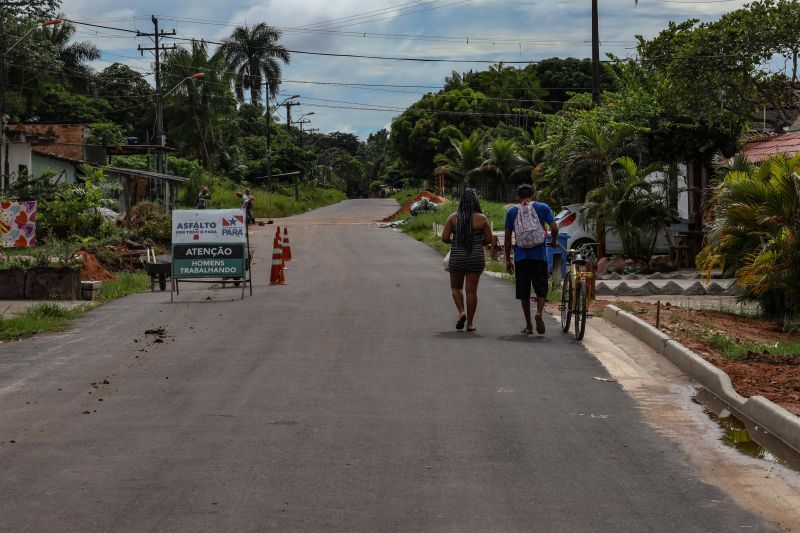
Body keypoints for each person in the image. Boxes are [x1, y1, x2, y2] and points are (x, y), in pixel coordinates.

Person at [504, 183, 559, 335]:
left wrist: (507, 259)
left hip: (521, 258)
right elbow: (555, 228)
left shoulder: (511, 211)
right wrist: (553, 241)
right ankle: (539, 313)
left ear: (517, 196)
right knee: (541, 289)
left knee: (524, 293)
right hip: (539, 256)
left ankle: (529, 326)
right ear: (533, 195)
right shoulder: (542, 207)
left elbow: (508, 238)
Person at [442, 189, 492, 332]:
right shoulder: (482, 219)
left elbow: (445, 238)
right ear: (476, 201)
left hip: (457, 257)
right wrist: (475, 243)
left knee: (456, 288)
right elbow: (488, 240)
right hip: (476, 257)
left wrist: (457, 241)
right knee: (471, 292)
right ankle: (470, 323)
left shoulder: (453, 218)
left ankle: (462, 312)